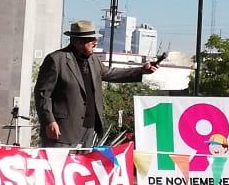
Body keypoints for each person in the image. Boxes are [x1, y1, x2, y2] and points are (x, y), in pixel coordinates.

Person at [34, 20, 158, 148]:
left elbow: (111, 73)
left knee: (83, 168)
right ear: (78, 42)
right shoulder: (56, 60)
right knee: (59, 168)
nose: (95, 42)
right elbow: (42, 94)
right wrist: (49, 121)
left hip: (89, 130)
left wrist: (141, 70)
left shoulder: (93, 60)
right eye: (91, 39)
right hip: (63, 132)